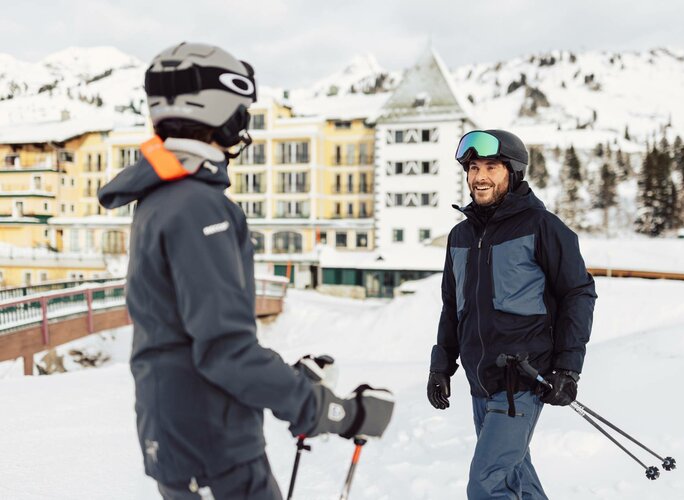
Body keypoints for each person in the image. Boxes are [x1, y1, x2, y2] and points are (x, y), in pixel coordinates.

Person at [98, 42, 394, 500]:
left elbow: (185, 333)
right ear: (220, 107)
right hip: (215, 451)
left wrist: (288, 379)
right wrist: (335, 412)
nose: (245, 119)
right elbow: (224, 352)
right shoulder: (199, 207)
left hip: (182, 437)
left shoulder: (160, 199)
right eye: (242, 106)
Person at [426, 129, 596, 499]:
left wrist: (567, 367)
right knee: (516, 477)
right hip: (479, 381)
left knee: (488, 482)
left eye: (490, 167)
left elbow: (578, 294)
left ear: (513, 172)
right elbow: (452, 307)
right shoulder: (460, 237)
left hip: (521, 380)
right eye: (473, 168)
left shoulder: (542, 227)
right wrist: (441, 365)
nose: (479, 177)